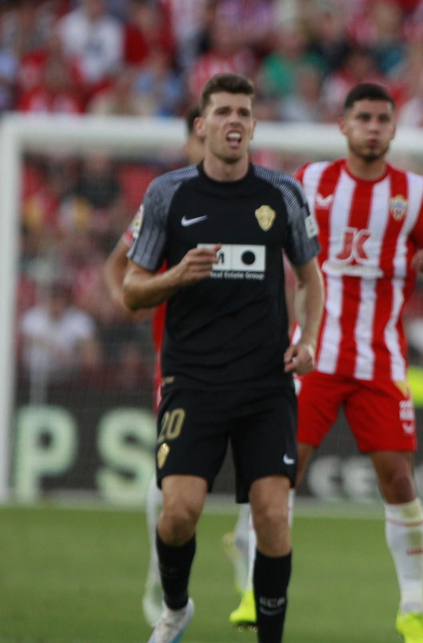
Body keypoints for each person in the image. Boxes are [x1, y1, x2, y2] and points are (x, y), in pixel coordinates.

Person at [124, 74, 324, 643]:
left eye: (244, 112)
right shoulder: (168, 194)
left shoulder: (282, 194)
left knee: (271, 516)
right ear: (202, 125)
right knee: (179, 511)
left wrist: (307, 339)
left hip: (265, 384)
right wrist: (177, 275)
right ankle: (177, 607)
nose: (234, 121)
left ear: (254, 126)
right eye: (224, 112)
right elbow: (131, 291)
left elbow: (311, 279)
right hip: (194, 380)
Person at [294, 83, 423, 643]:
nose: (372, 126)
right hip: (314, 350)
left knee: (398, 478)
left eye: (381, 118)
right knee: (280, 471)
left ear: (393, 128)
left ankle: (412, 607)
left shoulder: (413, 192)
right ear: (343, 126)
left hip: (379, 358)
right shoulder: (311, 182)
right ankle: (252, 585)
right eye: (362, 117)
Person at [101, 108, 241, 629]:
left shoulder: (254, 198)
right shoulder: (168, 200)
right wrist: (130, 302)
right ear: (190, 143)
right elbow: (117, 266)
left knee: (263, 476)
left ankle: (247, 565)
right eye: (196, 136)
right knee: (171, 478)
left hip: (248, 362)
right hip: (181, 363)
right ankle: (163, 585)